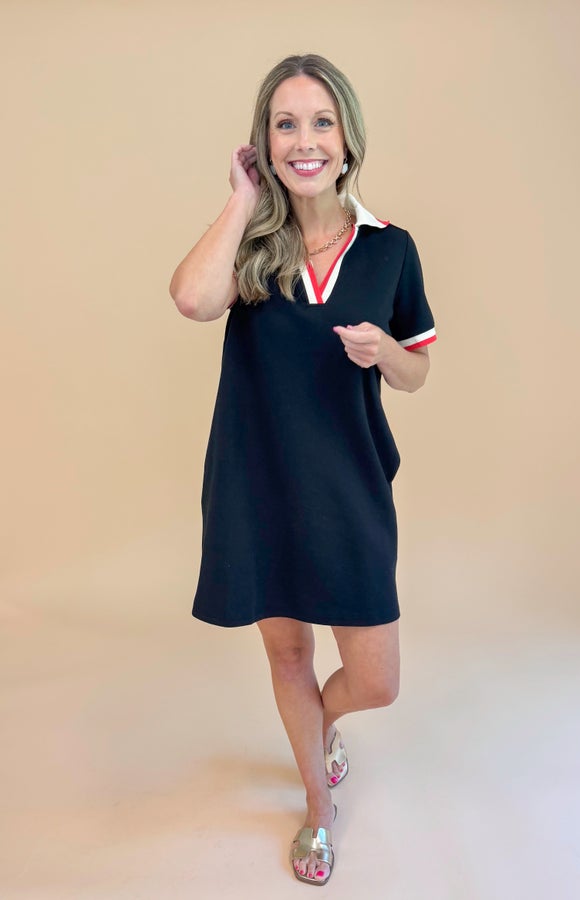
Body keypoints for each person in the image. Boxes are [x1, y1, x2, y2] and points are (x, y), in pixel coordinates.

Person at [169, 53, 436, 887]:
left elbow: (418, 370)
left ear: (348, 138)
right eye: (285, 124)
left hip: (350, 489)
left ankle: (321, 731)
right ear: (265, 142)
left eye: (321, 122)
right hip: (257, 486)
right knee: (288, 657)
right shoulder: (249, 244)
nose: (304, 140)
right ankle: (318, 810)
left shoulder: (390, 250)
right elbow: (192, 299)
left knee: (376, 681)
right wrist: (241, 200)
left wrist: (384, 351)